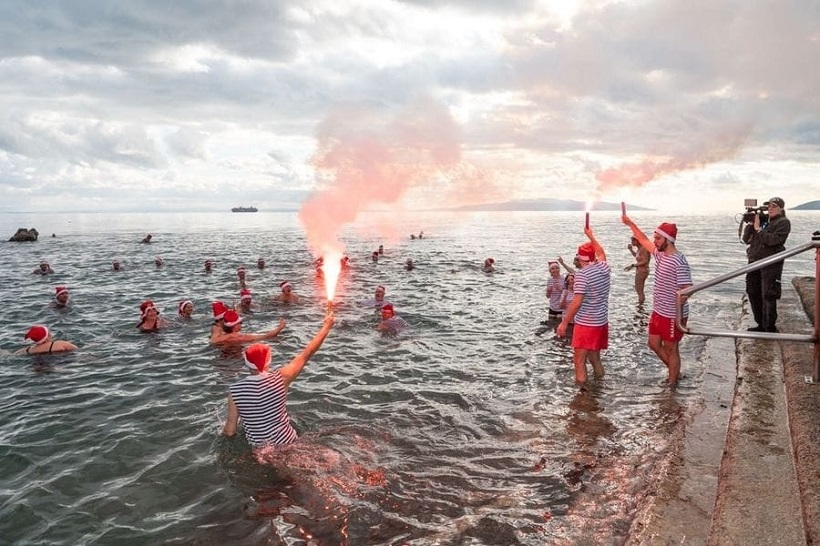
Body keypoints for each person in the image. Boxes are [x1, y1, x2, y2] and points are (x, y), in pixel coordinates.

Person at [222, 311, 335, 448]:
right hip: (290, 441)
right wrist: (327, 327)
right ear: (268, 362)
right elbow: (308, 353)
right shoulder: (280, 378)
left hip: (262, 451)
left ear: (246, 363)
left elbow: (230, 431)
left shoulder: (235, 391)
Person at [622, 217, 693, 386]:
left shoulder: (678, 260)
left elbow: (688, 288)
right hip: (658, 310)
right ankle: (674, 372)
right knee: (653, 343)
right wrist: (630, 224)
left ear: (669, 240)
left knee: (671, 348)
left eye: (658, 238)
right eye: (655, 238)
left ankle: (672, 385)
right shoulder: (659, 254)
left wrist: (677, 307)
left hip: (672, 314)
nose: (655, 241)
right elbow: (643, 239)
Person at [556, 230, 610, 384]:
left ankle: (583, 398)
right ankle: (601, 385)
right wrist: (591, 235)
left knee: (579, 361)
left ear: (580, 259)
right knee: (594, 358)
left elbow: (577, 302)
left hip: (587, 324)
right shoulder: (604, 268)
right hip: (601, 322)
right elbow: (601, 253)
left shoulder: (582, 275)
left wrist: (564, 323)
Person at [742, 197, 791, 332]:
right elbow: (746, 240)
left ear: (781, 208)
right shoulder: (762, 222)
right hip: (754, 261)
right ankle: (760, 324)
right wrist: (751, 225)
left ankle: (769, 327)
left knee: (768, 294)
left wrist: (758, 229)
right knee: (752, 291)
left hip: (771, 263)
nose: (770, 209)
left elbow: (773, 241)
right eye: (769, 206)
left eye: (774, 206)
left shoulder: (784, 222)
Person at [210, 310, 286, 345]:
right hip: (236, 358)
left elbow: (212, 341)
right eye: (240, 322)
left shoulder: (221, 337)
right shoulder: (241, 337)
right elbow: (267, 336)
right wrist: (280, 327)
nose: (241, 324)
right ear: (235, 326)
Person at [625, 236, 651, 304]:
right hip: (640, 270)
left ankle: (640, 306)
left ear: (638, 241)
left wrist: (633, 265)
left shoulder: (643, 248)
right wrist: (630, 250)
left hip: (643, 271)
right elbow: (637, 256)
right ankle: (641, 306)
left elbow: (645, 261)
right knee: (638, 289)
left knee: (639, 290)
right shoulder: (639, 248)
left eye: (633, 241)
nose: (632, 242)